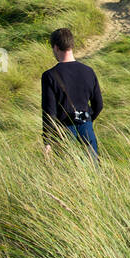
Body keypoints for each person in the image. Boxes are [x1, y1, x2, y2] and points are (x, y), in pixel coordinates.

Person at [42, 27, 103, 161]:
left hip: (64, 131)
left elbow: (49, 112)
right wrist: (87, 119)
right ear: (71, 45)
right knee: (93, 172)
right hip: (87, 128)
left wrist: (47, 140)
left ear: (56, 47)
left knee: (68, 175)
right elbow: (98, 104)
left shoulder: (49, 76)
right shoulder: (89, 71)